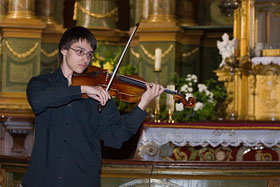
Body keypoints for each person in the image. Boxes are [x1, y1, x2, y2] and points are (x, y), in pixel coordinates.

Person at [22, 26, 164, 187]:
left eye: (89, 54)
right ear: (63, 50)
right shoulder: (41, 83)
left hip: (82, 180)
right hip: (43, 179)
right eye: (79, 52)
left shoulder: (99, 92)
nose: (85, 59)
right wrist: (81, 90)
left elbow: (115, 137)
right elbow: (38, 101)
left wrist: (143, 103)